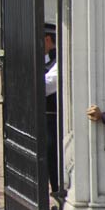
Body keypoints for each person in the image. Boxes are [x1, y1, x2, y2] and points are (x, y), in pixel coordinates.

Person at [43, 21, 59, 194]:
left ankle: (56, 190)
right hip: (40, 116)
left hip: (52, 118)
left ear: (47, 40)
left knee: (51, 154)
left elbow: (46, 87)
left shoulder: (58, 60)